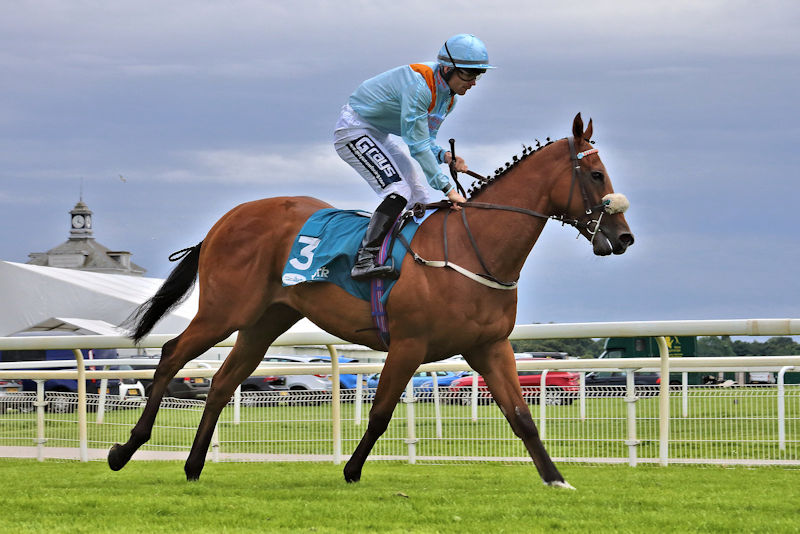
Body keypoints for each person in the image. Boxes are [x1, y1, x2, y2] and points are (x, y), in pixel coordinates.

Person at [334, 34, 495, 280]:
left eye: (478, 75)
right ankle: (364, 259)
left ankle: (410, 256)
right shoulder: (420, 87)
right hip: (353, 129)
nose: (473, 82)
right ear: (447, 69)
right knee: (399, 191)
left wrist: (446, 156)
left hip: (379, 133)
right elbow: (417, 146)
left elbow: (426, 141)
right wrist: (448, 189)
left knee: (420, 195)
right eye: (469, 74)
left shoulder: (449, 100)